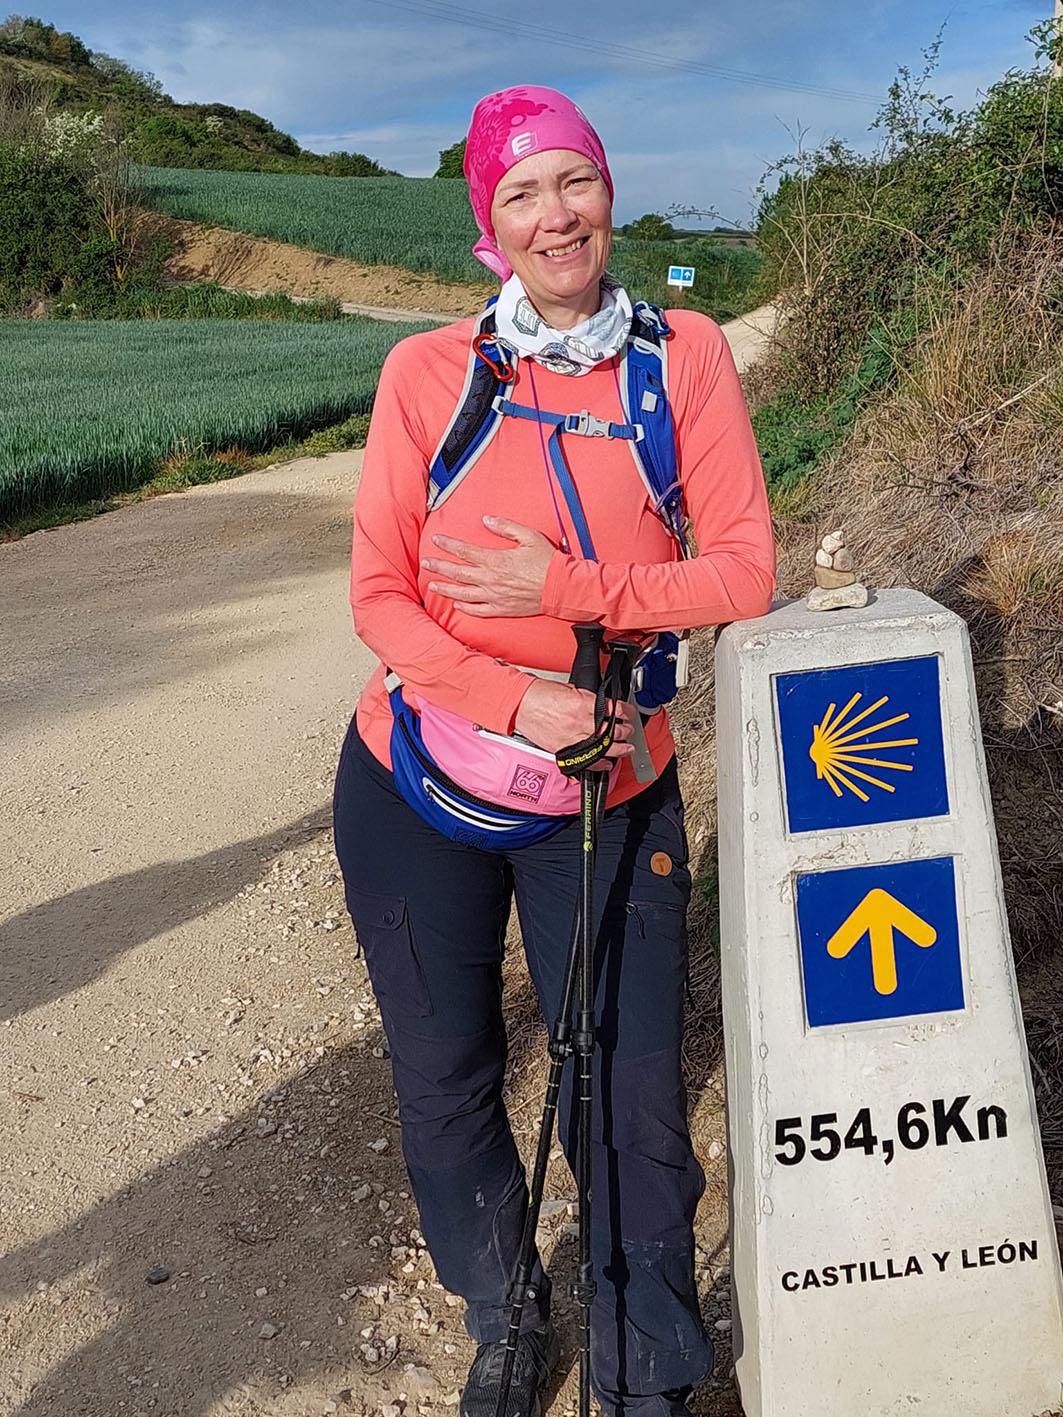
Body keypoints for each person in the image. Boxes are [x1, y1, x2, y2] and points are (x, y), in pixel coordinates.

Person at [333, 85, 775, 1417]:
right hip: (416, 781)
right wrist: (514, 700)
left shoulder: (683, 356)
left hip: (614, 788)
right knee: (447, 1074)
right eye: (520, 193)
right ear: (490, 225)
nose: (555, 214)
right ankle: (506, 1317)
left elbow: (743, 571)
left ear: (609, 193)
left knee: (627, 1091)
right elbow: (379, 596)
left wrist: (569, 588)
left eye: (573, 179)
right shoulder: (429, 374)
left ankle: (648, 1369)